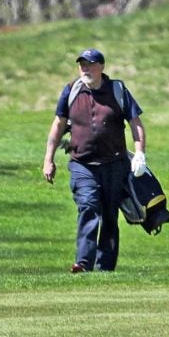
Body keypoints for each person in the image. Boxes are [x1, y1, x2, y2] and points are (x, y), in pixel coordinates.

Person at [42, 48, 146, 273]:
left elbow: (135, 123)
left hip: (114, 164)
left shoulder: (117, 90)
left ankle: (106, 266)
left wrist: (140, 154)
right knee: (88, 205)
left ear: (101, 67)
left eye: (89, 64)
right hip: (82, 164)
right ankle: (84, 262)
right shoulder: (71, 91)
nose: (85, 69)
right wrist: (48, 159)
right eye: (82, 65)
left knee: (110, 214)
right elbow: (59, 124)